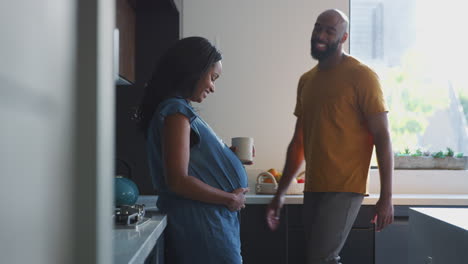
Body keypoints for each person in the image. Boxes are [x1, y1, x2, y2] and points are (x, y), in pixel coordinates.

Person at [265, 9, 394, 264]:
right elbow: (298, 142)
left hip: (345, 187)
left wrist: (386, 197)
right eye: (317, 28)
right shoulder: (307, 81)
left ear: (343, 38)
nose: (320, 35)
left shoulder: (362, 77)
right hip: (314, 187)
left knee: (321, 258)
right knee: (317, 258)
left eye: (329, 31)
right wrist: (279, 193)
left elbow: (383, 137)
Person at [138, 36, 249, 264]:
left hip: (211, 224)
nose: (212, 87)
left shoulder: (179, 110)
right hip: (205, 227)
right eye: (212, 77)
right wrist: (229, 198)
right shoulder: (176, 111)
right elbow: (178, 180)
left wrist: (225, 157)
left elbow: (192, 161)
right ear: (194, 71)